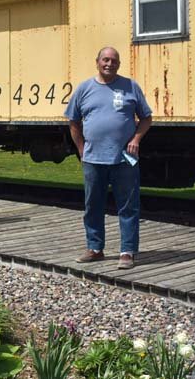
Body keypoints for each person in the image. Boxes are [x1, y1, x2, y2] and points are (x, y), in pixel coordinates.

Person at [64, 47, 152, 270]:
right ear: (97, 62)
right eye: (105, 59)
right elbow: (73, 122)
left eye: (114, 60)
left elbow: (146, 118)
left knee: (128, 206)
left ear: (118, 64)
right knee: (92, 204)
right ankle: (95, 248)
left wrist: (136, 140)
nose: (109, 64)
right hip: (93, 159)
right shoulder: (84, 88)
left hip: (125, 158)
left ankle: (127, 251)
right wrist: (81, 149)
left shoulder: (131, 86)